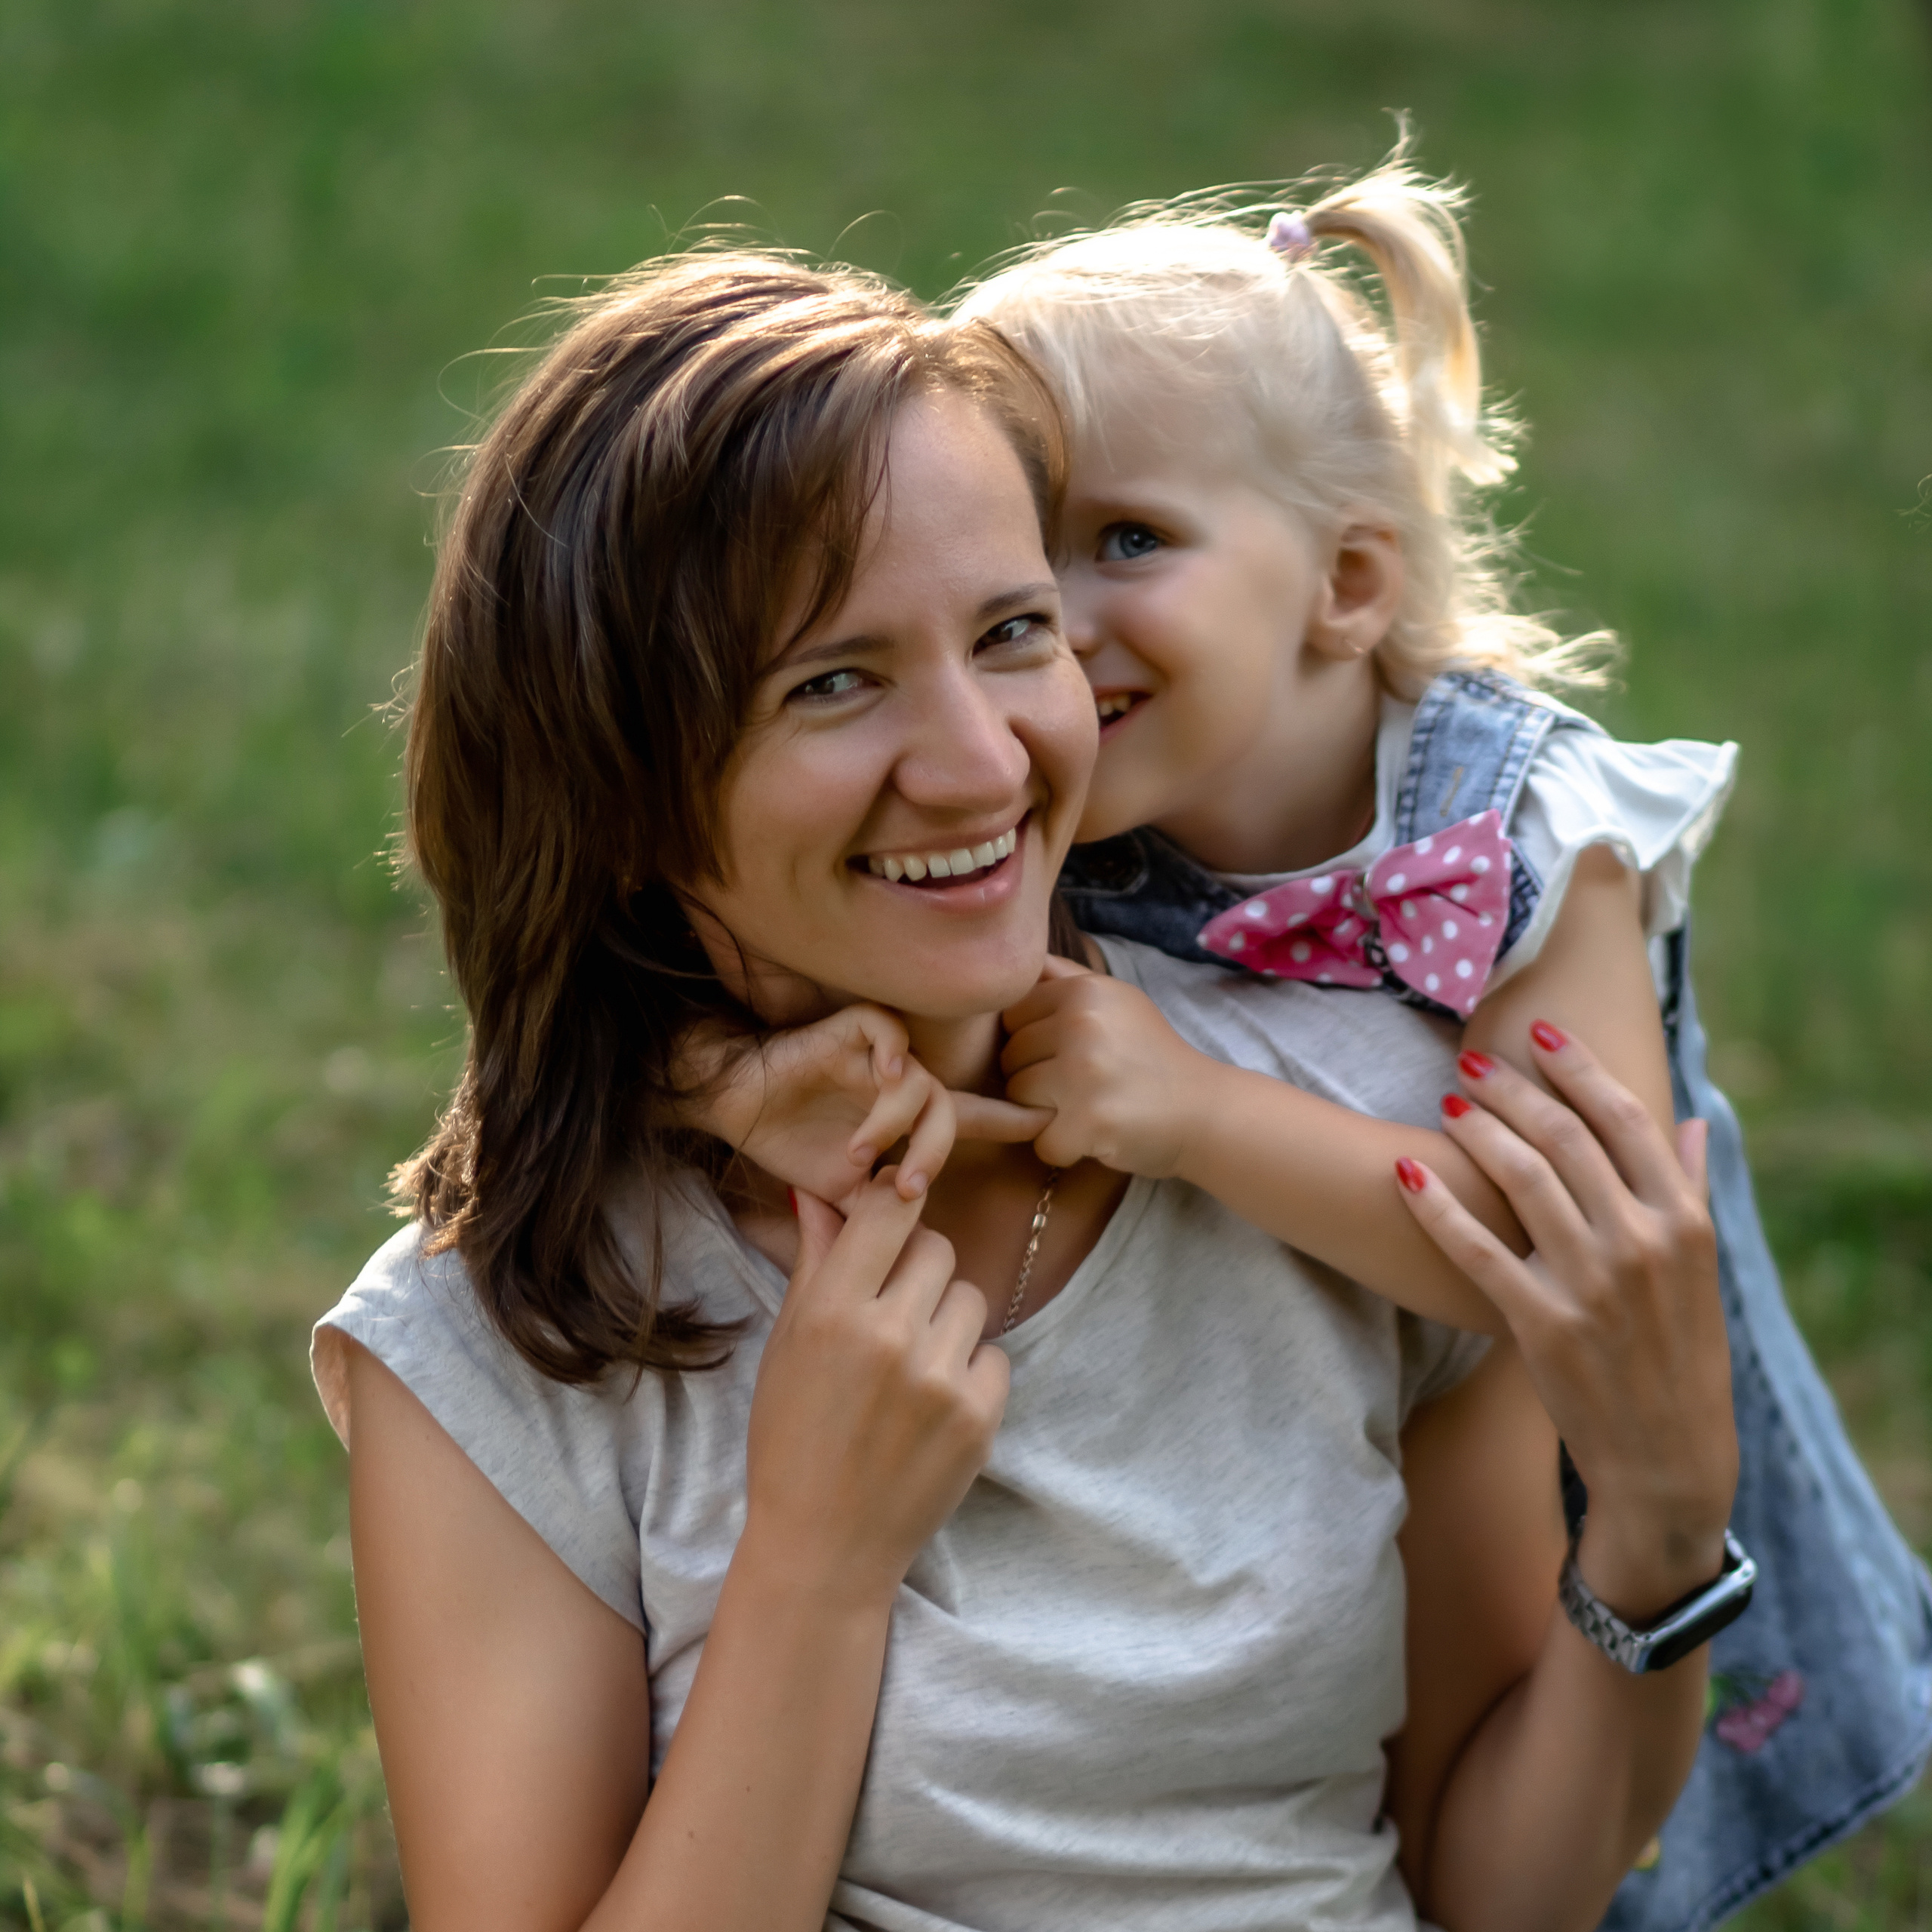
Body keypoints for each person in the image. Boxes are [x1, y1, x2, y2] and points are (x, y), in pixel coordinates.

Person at [313, 251, 1739, 1932]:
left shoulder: (1342, 1153)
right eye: (832, 680)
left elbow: (1493, 1892)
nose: (985, 763)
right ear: (615, 789)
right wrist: (817, 1562)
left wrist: (1656, 1523)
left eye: (1013, 635)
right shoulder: (507, 1336)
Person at [942, 152, 1932, 1927]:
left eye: (1127, 541)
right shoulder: (1049, 825)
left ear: (1341, 584)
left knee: (1517, 1816)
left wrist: (1189, 1107)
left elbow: (1546, 1257)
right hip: (1269, 1473)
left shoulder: (1528, 829)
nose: (1053, 625)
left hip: (1560, 1470)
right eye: (1016, 566)